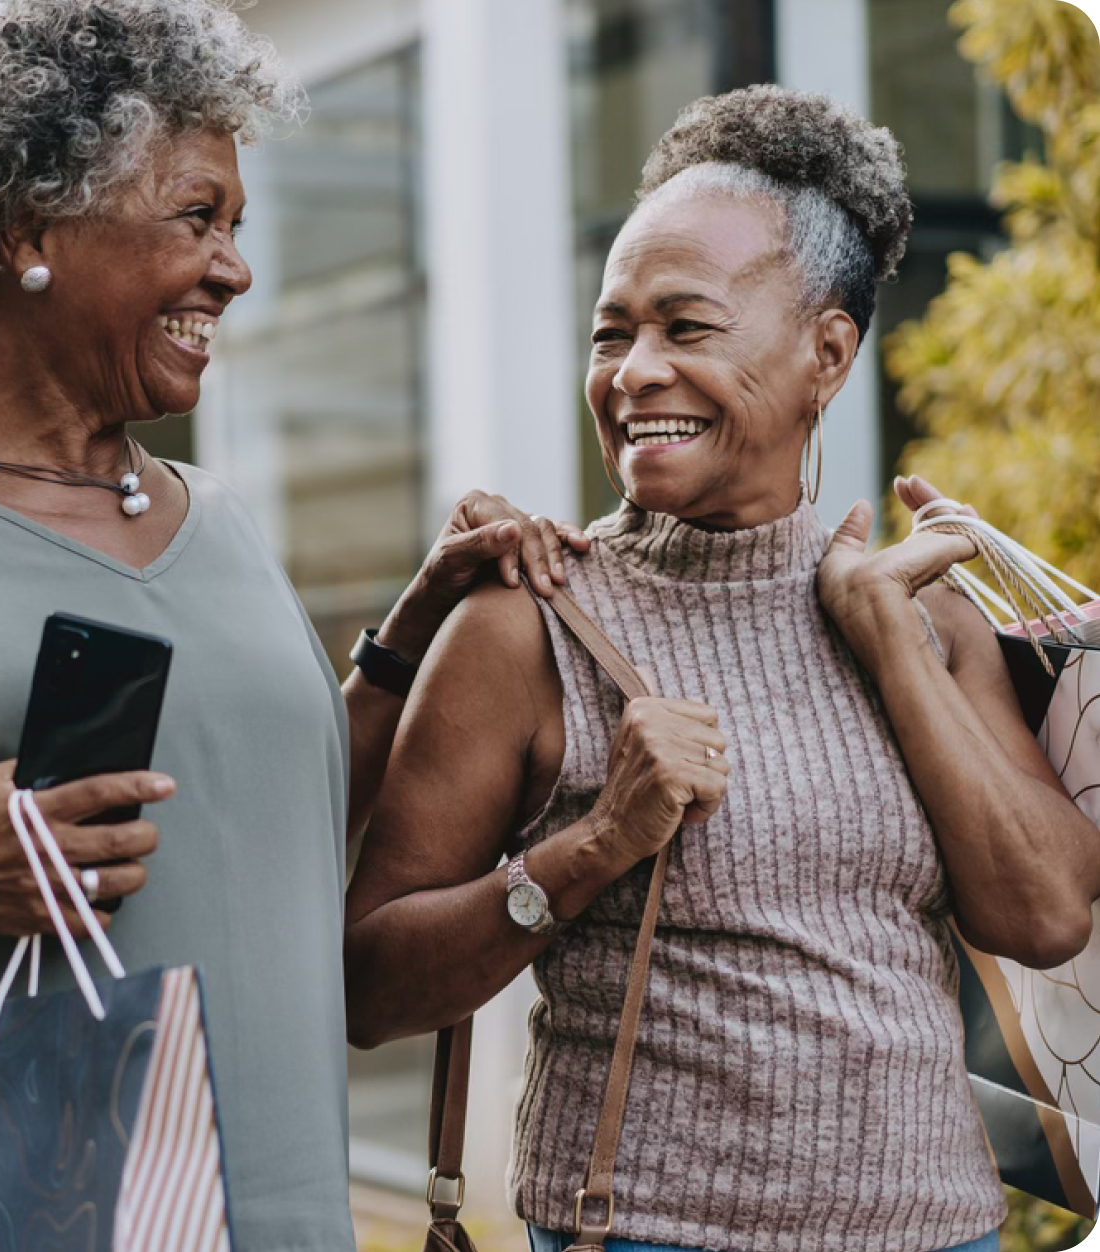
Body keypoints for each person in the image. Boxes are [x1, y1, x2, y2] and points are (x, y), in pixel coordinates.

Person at [344, 86, 1100, 1252]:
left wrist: (886, 640)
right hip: (647, 1231)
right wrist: (590, 849)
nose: (634, 371)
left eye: (684, 328)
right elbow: (370, 985)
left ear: (825, 352)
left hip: (938, 1233)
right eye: (611, 332)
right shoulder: (525, 623)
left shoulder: (920, 617)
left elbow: (1041, 912)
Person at [0, 3, 585, 1249]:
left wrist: (413, 629)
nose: (236, 267)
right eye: (194, 216)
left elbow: (276, 819)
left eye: (237, 226)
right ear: (25, 229)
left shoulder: (214, 518)